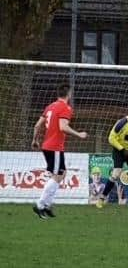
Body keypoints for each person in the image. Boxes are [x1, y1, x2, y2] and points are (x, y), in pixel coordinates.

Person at [31, 83, 88, 219]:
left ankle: (48, 205)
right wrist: (79, 134)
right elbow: (63, 127)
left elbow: (37, 125)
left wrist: (34, 140)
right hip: (54, 146)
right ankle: (40, 205)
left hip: (47, 145)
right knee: (58, 176)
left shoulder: (50, 107)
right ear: (69, 94)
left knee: (61, 173)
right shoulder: (65, 108)